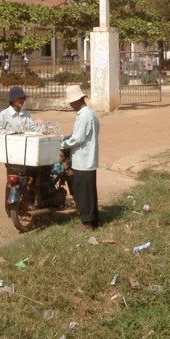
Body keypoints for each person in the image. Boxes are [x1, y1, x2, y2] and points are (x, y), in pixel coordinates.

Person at [61, 84, 100, 231]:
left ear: (77, 101)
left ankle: (86, 222)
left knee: (82, 192)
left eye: (71, 102)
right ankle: (93, 219)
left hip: (83, 160)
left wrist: (63, 144)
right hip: (88, 159)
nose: (71, 105)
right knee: (89, 191)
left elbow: (77, 139)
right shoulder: (90, 114)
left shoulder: (84, 116)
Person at [0, 86, 42, 207]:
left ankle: (28, 203)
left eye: (23, 99)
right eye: (19, 99)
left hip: (26, 152)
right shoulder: (4, 114)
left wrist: (41, 129)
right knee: (12, 180)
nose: (21, 101)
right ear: (12, 100)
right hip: (11, 153)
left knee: (27, 178)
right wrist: (14, 134)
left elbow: (32, 128)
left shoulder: (25, 114)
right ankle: (9, 207)